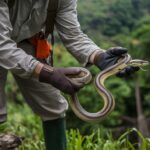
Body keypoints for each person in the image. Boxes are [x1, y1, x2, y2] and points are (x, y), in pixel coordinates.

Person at [0, 0, 139, 149]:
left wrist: (99, 56)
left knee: (53, 105)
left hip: (28, 42)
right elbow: (2, 47)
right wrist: (47, 73)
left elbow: (73, 35)